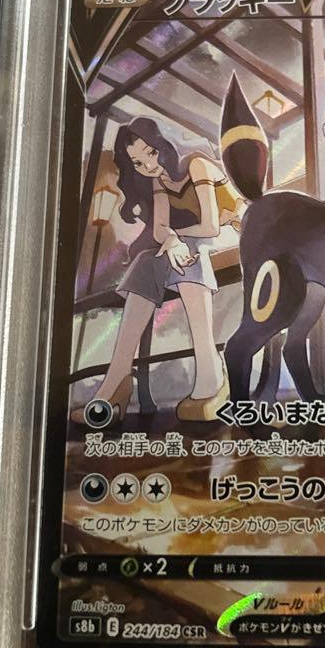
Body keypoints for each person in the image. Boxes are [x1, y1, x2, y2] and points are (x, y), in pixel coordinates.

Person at [73, 117, 241, 424]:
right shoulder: (159, 178)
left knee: (188, 253)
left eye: (151, 153)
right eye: (138, 162)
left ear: (165, 144)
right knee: (147, 262)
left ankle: (211, 369)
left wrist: (176, 238)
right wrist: (172, 238)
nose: (148, 165)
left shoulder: (197, 165)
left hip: (236, 232)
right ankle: (117, 379)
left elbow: (212, 226)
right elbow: (161, 228)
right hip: (194, 240)